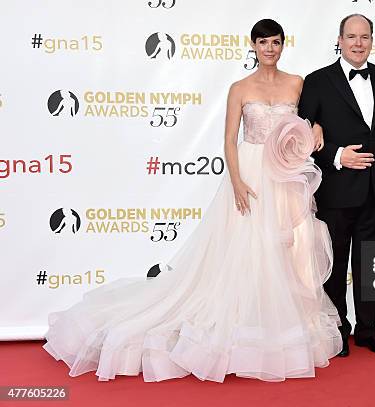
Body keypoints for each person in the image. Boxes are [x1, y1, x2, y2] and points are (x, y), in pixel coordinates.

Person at [43, 19, 342, 382]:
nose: (270, 48)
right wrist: (236, 181)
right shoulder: (239, 88)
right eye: (263, 42)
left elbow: (312, 118)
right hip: (248, 174)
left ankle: (274, 325)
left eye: (276, 42)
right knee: (245, 250)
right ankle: (241, 324)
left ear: (283, 45)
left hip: (284, 175)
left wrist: (319, 127)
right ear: (253, 46)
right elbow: (230, 139)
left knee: (283, 251)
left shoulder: (297, 83)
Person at [298, 14, 375, 357]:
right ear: (339, 39)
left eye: (364, 37)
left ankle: (368, 331)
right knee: (334, 267)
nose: (358, 43)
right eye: (351, 36)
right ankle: (337, 330)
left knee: (370, 265)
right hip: (335, 189)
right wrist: (337, 156)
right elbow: (302, 137)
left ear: (372, 40)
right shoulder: (317, 81)